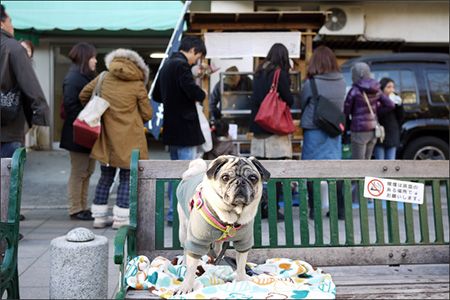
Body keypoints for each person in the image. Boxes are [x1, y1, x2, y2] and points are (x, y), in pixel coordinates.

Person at [79, 48, 153, 229]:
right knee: (127, 178)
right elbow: (147, 114)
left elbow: (83, 95)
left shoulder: (103, 77)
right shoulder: (137, 84)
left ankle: (98, 217)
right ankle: (120, 219)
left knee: (106, 176)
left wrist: (102, 112)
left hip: (106, 137)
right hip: (131, 138)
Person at [153, 35, 207, 225]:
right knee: (188, 173)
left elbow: (156, 95)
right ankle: (180, 214)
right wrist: (202, 93)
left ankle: (171, 214)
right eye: (198, 56)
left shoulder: (167, 64)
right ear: (193, 49)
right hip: (186, 127)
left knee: (176, 172)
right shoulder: (181, 65)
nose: (196, 61)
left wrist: (172, 98)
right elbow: (194, 92)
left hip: (171, 127)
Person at [299, 45, 347, 220]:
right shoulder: (342, 81)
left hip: (314, 130)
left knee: (312, 170)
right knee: (335, 169)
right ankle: (339, 210)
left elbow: (303, 104)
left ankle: (314, 210)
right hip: (334, 131)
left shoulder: (311, 83)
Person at [249, 43, 295, 221]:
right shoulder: (279, 74)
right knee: (276, 171)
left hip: (258, 128)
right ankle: (273, 208)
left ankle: (259, 207)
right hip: (275, 130)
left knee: (259, 172)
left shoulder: (258, 72)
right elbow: (289, 99)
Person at [1, 4, 50, 157]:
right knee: (6, 178)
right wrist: (41, 113)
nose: (12, 26)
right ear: (2, 23)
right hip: (7, 129)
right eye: (10, 21)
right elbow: (30, 86)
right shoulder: (13, 48)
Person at [59, 43, 98, 221]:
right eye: (93, 57)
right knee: (79, 172)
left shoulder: (84, 76)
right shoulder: (73, 78)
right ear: (84, 58)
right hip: (78, 134)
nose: (95, 60)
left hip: (85, 133)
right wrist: (91, 116)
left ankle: (83, 207)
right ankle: (75, 209)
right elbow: (70, 106)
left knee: (87, 171)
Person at [344, 62, 395, 160]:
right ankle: (366, 176)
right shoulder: (376, 89)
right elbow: (390, 104)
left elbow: (346, 110)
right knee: (367, 160)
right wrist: (376, 112)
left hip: (359, 130)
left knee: (358, 161)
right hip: (373, 129)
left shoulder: (354, 90)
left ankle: (359, 176)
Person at [373, 78, 405, 160]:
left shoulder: (395, 99)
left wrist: (399, 105)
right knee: (380, 161)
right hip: (380, 134)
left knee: (391, 161)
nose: (391, 90)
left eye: (393, 87)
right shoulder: (376, 100)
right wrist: (388, 104)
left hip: (392, 134)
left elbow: (400, 116)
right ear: (382, 88)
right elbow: (377, 115)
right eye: (388, 87)